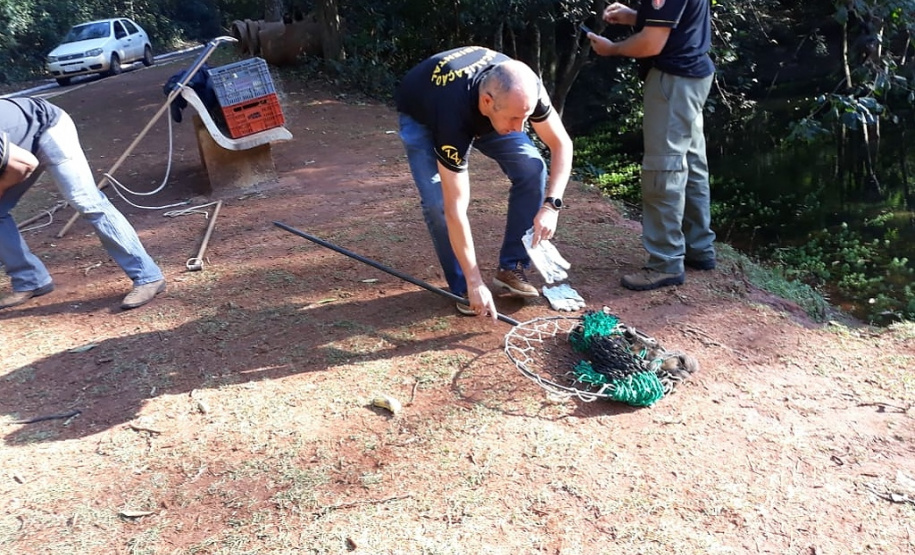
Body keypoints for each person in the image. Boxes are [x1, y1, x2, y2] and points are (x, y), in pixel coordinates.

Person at [395, 46, 574, 320]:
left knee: (531, 166)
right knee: (438, 204)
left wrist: (552, 206)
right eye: (515, 118)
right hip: (424, 114)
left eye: (526, 117)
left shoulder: (526, 91)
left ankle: (511, 267)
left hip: (486, 108)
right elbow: (455, 209)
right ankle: (464, 287)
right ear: (488, 102)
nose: (521, 128)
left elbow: (562, 144)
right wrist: (475, 280)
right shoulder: (452, 116)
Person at [586, 1, 717, 291]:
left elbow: (651, 42)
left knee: (663, 167)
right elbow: (676, 20)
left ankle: (665, 262)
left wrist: (612, 48)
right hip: (692, 74)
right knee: (691, 162)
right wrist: (634, 17)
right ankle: (698, 247)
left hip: (673, 79)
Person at [0, 96, 166, 310]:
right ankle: (30, 280)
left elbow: (25, 164)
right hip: (17, 145)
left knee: (86, 200)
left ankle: (148, 276)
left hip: (47, 127)